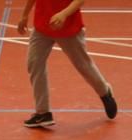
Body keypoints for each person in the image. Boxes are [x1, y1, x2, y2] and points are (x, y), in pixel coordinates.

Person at [16, 0, 117, 128]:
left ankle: (104, 91)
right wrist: (25, 15)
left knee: (84, 66)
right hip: (42, 26)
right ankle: (43, 113)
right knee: (34, 63)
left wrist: (64, 14)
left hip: (68, 28)